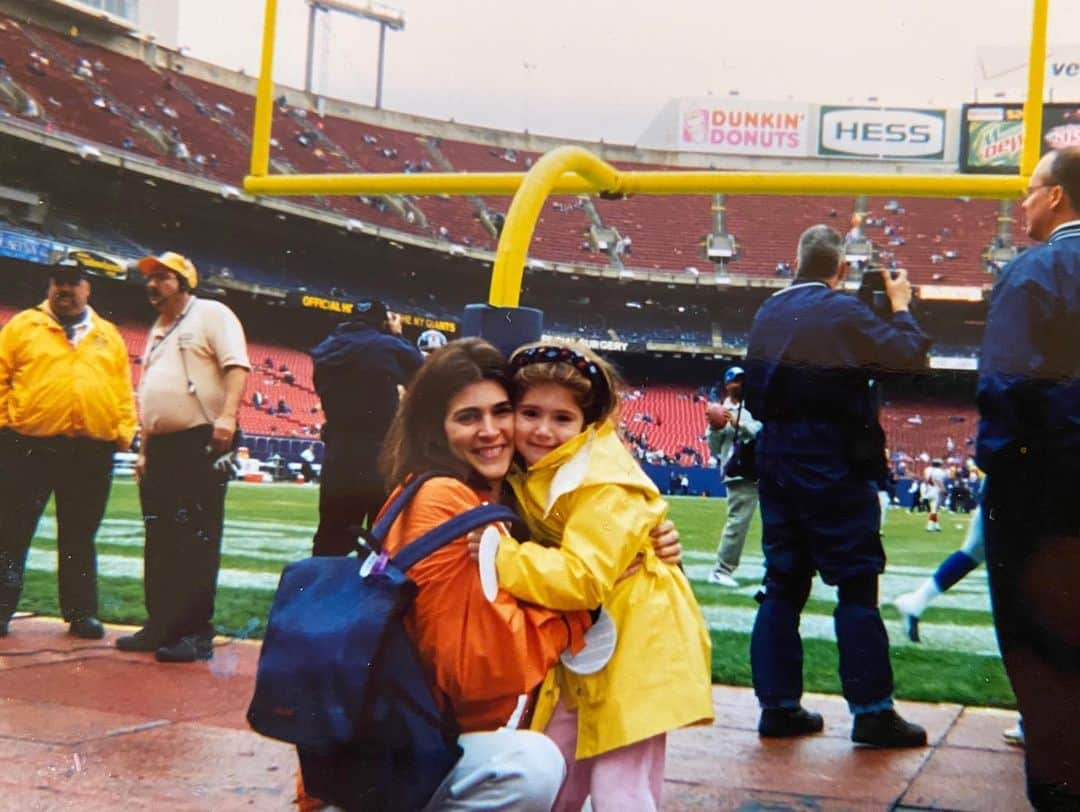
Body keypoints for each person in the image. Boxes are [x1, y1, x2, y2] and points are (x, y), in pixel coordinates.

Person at [486, 342, 714, 811]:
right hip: (591, 639)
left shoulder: (602, 479)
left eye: (562, 418)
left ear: (589, 424)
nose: (543, 430)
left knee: (619, 784)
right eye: (530, 412)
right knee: (556, 766)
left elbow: (581, 578)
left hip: (639, 640)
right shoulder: (536, 469)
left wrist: (500, 556)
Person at [744, 225, 931, 747]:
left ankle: (778, 707)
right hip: (832, 459)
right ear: (840, 270)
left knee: (782, 584)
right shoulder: (844, 310)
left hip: (777, 457)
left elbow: (755, 394)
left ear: (795, 261)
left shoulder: (767, 312)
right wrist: (899, 306)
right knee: (855, 585)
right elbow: (909, 357)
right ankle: (871, 712)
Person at [976, 147, 1080, 809]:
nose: (1023, 201)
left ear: (1058, 197)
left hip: (1044, 486)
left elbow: (1004, 382)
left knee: (1038, 635)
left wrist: (1003, 465)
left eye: (1031, 188)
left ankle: (1058, 784)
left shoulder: (1036, 270)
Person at [116, 252, 250, 663]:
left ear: (185, 281)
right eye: (150, 279)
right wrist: (145, 450)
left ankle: (195, 632)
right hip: (162, 446)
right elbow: (152, 395)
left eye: (162, 278)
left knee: (196, 536)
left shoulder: (211, 314)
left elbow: (236, 366)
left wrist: (227, 417)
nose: (152, 285)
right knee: (160, 535)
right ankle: (160, 624)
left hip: (202, 438)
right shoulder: (159, 328)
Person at [0, 263, 136, 639]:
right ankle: (0, 608)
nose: (65, 289)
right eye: (58, 282)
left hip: (91, 448)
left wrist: (122, 432)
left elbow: (122, 389)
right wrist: (6, 425)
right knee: (12, 530)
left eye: (73, 283)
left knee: (79, 533)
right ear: (49, 286)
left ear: (87, 288)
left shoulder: (108, 335)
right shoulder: (22, 326)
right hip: (28, 445)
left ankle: (81, 614)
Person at [309, 299, 423, 557]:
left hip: (338, 454)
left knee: (330, 537)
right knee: (382, 540)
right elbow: (421, 372)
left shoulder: (327, 347)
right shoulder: (387, 345)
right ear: (383, 321)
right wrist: (398, 335)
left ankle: (322, 593)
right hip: (379, 454)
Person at [706, 365, 762, 588]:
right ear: (727, 385)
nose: (739, 385)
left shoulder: (755, 407)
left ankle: (775, 567)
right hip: (739, 471)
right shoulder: (719, 410)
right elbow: (714, 448)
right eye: (735, 381)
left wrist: (740, 424)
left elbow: (759, 430)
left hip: (763, 468)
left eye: (742, 380)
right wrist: (716, 428)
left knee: (777, 522)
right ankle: (721, 569)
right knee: (738, 523)